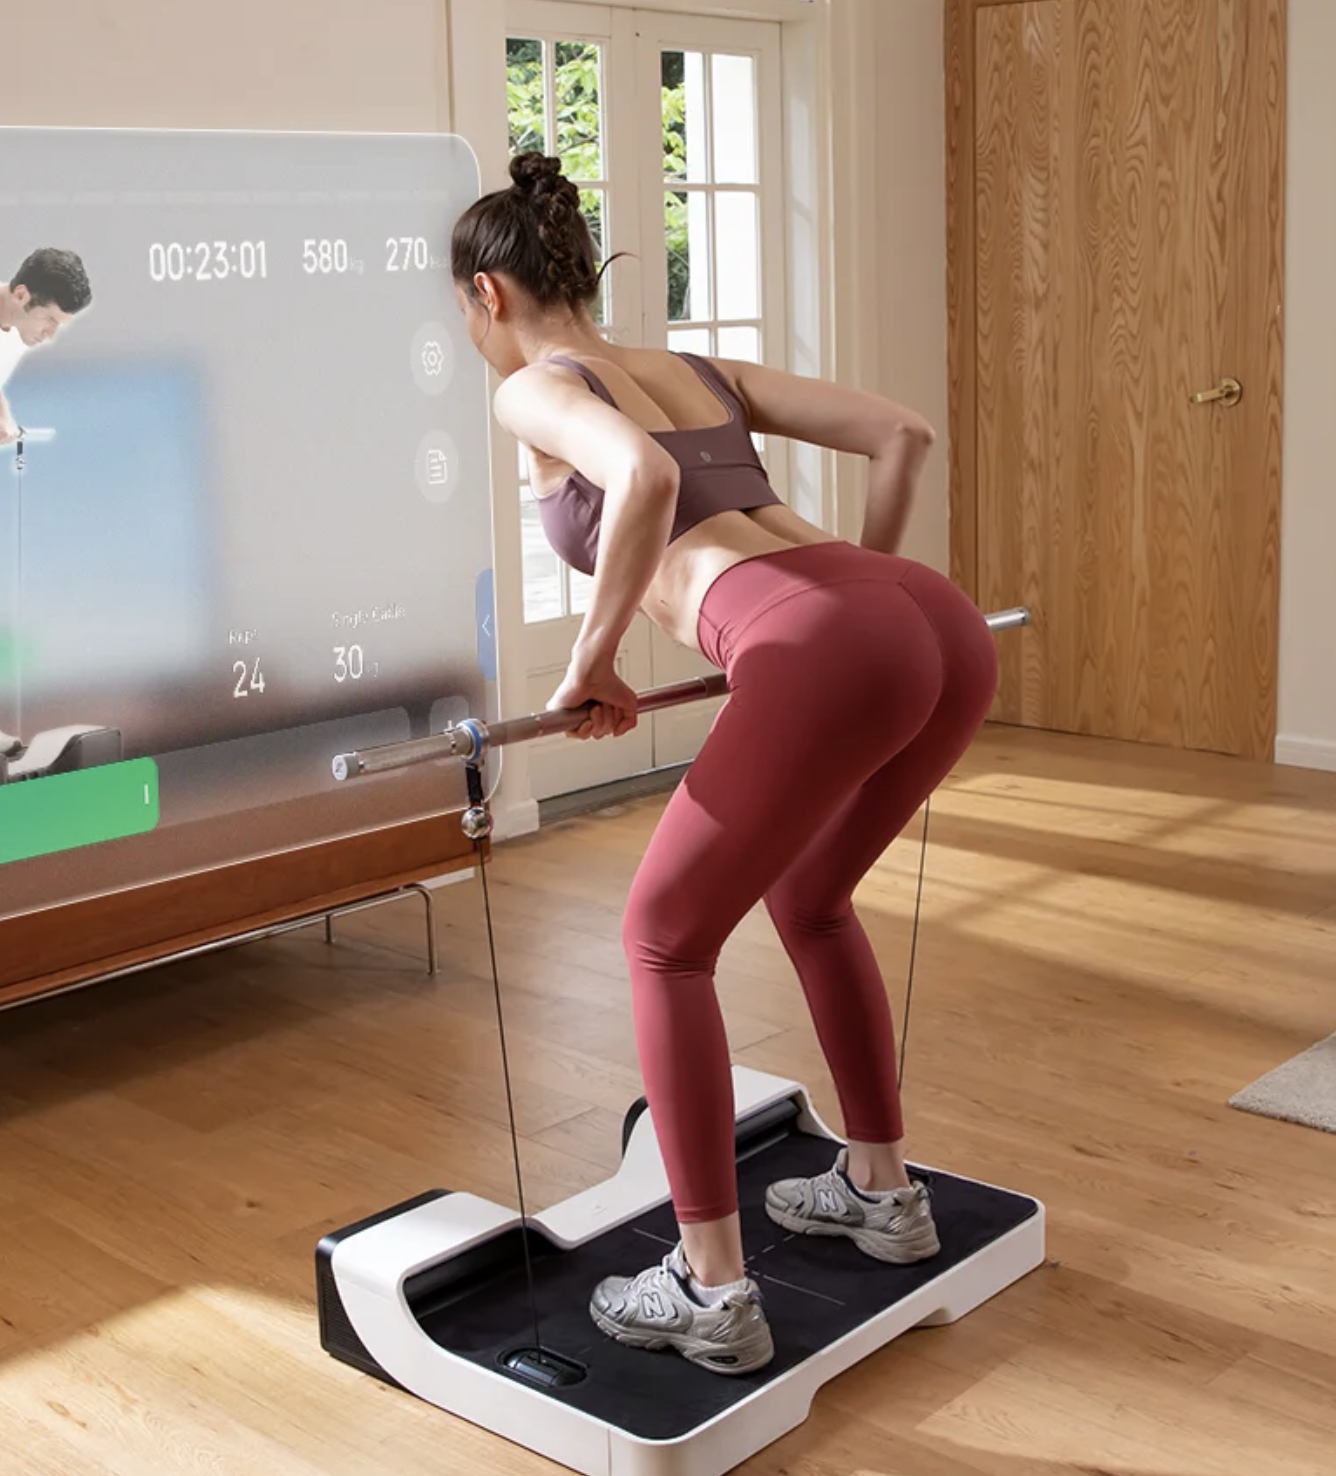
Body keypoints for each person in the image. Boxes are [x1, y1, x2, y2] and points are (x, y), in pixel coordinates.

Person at [451, 153, 998, 1377]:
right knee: (808, 898)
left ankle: (709, 1288)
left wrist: (591, 662)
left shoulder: (536, 387)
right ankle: (879, 1191)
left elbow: (639, 478)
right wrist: (866, 603)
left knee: (662, 937)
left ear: (489, 294)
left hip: (828, 637)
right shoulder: (695, 367)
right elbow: (900, 432)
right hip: (927, 616)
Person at [0, 247, 92, 447]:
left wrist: (2, 414)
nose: (50, 335)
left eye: (58, 324)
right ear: (21, 295)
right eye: (49, 319)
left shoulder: (18, 327)